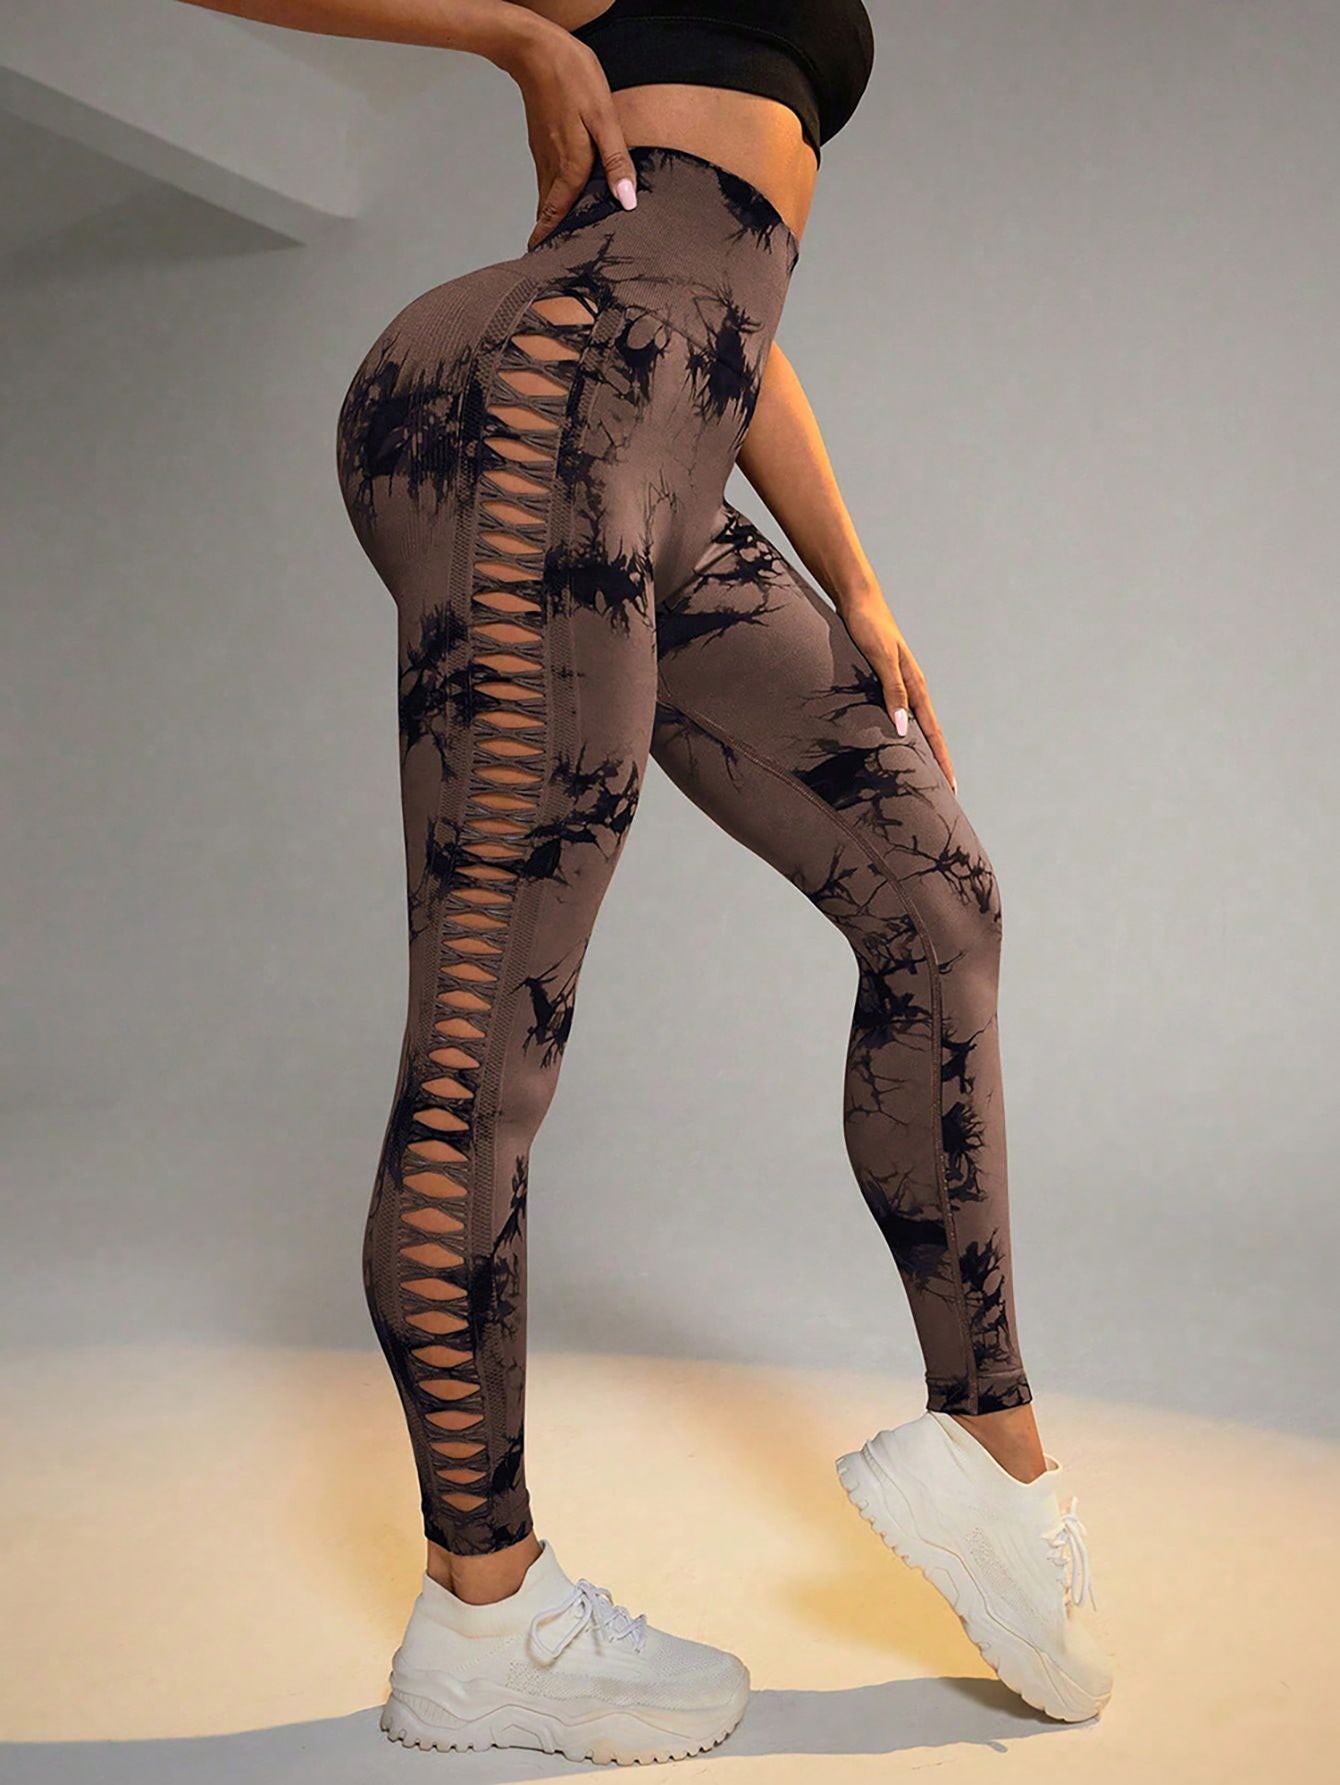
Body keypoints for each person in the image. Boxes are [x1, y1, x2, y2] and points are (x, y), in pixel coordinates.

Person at [181, 0, 1114, 1761]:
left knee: (939, 903)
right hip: (558, 394)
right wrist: (510, 37)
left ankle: (991, 1460)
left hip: (656, 419)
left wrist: (856, 580)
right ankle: (483, 1608)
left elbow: (730, 302)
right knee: (488, 1042)